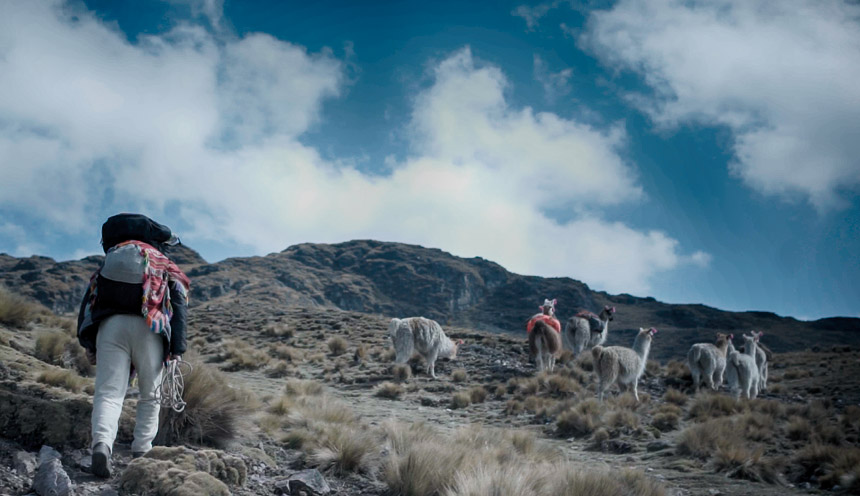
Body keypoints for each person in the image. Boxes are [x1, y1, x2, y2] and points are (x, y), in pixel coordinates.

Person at [77, 214, 190, 478]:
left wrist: (88, 341)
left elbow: (89, 303)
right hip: (150, 328)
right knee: (151, 394)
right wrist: (177, 348)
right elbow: (179, 305)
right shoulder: (163, 263)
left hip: (110, 329)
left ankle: (102, 446)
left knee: (108, 392)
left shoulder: (110, 261)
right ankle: (142, 451)